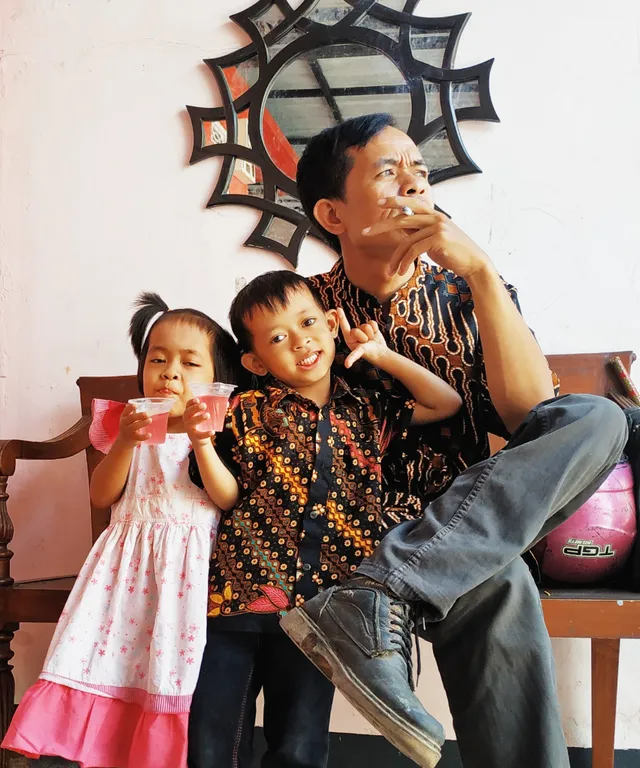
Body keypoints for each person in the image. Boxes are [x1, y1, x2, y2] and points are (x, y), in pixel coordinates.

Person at [278, 114, 629, 768]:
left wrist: (483, 275)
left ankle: (385, 591)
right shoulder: (296, 310)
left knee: (599, 419)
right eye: (390, 173)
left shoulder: (470, 293)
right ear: (333, 213)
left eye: (421, 172)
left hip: (464, 526)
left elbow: (529, 415)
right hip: (358, 527)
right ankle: (382, 585)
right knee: (497, 577)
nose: (416, 186)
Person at [185, 270, 462, 768]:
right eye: (277, 337)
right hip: (237, 600)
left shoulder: (369, 408)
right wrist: (202, 441)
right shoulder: (244, 411)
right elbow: (222, 495)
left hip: (323, 613)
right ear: (254, 361)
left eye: (309, 322)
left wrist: (381, 355)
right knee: (213, 740)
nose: (301, 341)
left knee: (301, 745)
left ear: (333, 323)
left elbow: (446, 402)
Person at [2, 292, 243, 768]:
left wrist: (202, 444)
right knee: (110, 656)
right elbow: (102, 494)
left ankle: (155, 754)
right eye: (158, 358)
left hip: (188, 574)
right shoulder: (127, 424)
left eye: (190, 363)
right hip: (125, 570)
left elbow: (226, 497)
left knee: (168, 665)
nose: (170, 372)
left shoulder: (225, 428)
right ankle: (103, 747)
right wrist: (127, 442)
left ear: (220, 381)